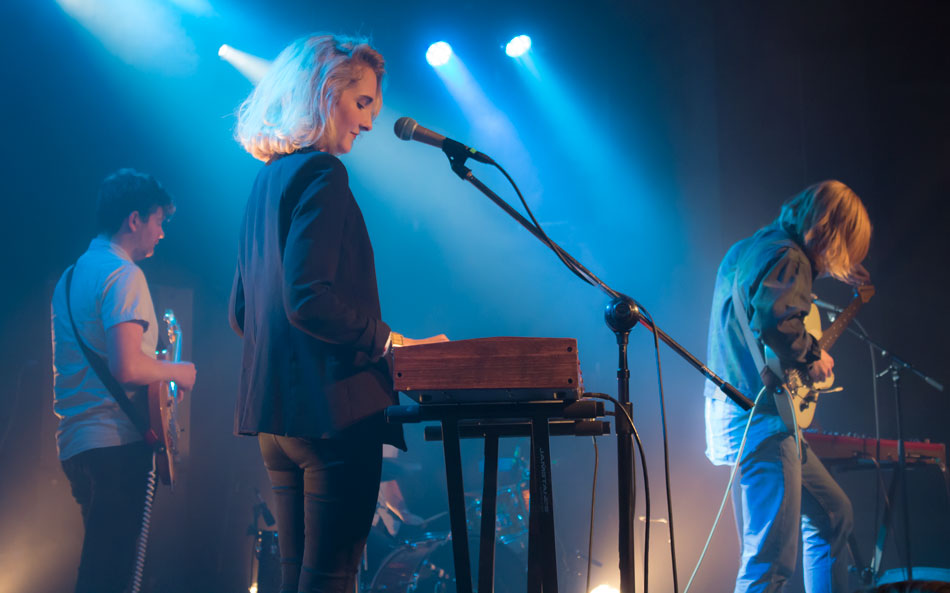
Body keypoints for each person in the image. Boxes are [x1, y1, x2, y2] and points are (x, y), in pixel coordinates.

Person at [229, 34, 443, 593]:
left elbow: (241, 311)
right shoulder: (324, 175)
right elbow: (308, 299)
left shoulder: (265, 180)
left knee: (298, 578)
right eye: (363, 102)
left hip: (277, 420)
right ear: (325, 92)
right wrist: (394, 343)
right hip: (330, 416)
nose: (370, 123)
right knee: (331, 580)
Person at [703, 180, 871, 593]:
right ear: (833, 231)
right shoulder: (790, 258)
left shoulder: (747, 249)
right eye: (848, 245)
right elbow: (776, 320)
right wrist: (811, 356)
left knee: (835, 515)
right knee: (769, 562)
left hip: (735, 412)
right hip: (758, 420)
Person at [51, 168, 198, 593]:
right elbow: (128, 368)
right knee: (109, 577)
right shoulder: (123, 274)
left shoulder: (70, 276)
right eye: (158, 221)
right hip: (115, 446)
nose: (161, 233)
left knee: (102, 569)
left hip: (76, 444)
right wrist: (178, 371)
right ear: (134, 220)